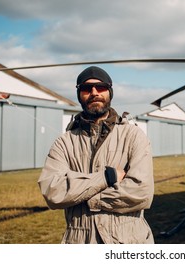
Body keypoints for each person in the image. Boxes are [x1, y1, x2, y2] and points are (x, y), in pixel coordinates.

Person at [38, 66, 154, 244]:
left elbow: (141, 192)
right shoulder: (64, 143)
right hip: (79, 240)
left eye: (100, 87)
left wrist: (82, 196)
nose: (94, 92)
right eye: (86, 89)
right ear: (79, 94)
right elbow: (53, 191)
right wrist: (107, 178)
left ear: (109, 92)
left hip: (129, 239)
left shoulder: (133, 136)